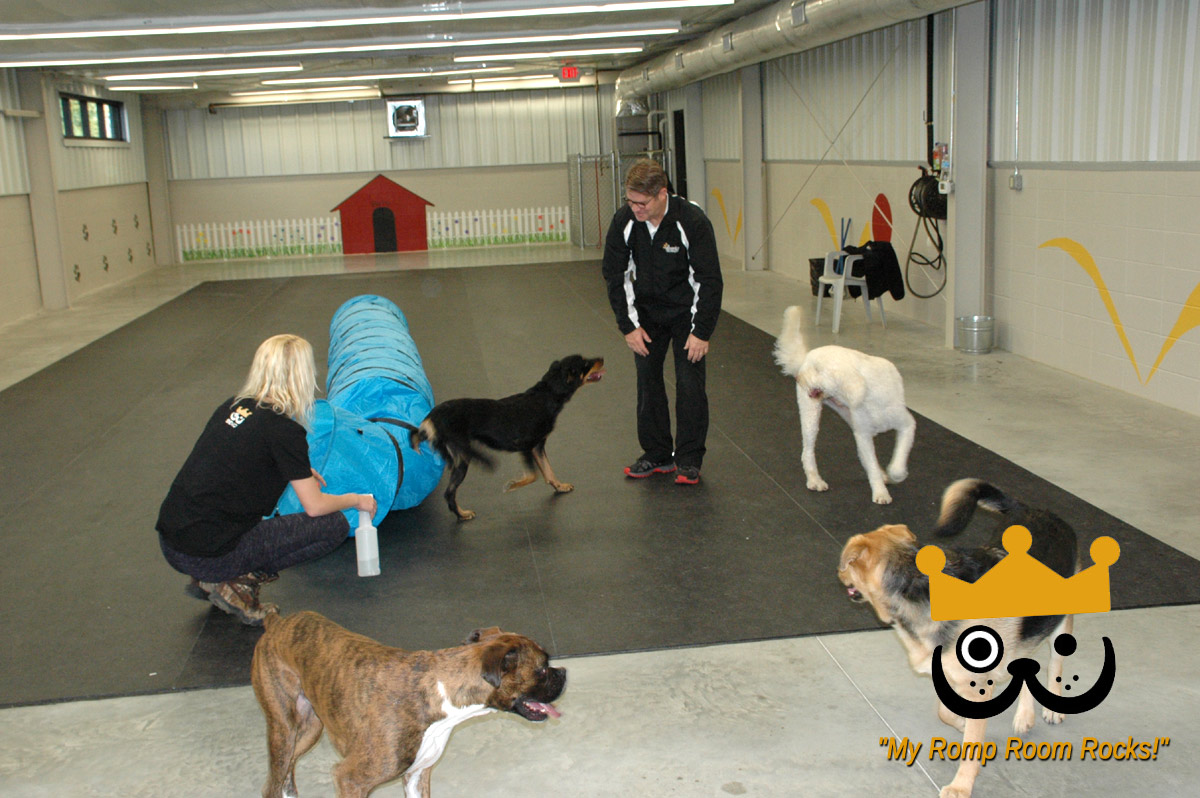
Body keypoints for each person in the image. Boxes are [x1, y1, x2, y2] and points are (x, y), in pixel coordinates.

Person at [156, 334, 377, 625]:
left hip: (172, 541)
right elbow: (314, 506)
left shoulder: (235, 406)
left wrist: (294, 468)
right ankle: (236, 582)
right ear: (302, 375)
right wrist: (358, 500)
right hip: (208, 555)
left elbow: (230, 459)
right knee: (333, 525)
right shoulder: (284, 430)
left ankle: (213, 578)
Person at [602, 158, 723, 485]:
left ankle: (688, 459)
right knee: (648, 381)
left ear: (661, 194)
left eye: (641, 203)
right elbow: (614, 275)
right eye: (630, 201)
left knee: (689, 383)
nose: (635, 208)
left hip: (687, 314)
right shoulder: (625, 221)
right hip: (647, 315)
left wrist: (701, 332)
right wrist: (628, 326)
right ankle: (657, 454)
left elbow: (710, 279)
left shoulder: (691, 220)